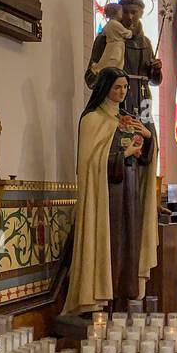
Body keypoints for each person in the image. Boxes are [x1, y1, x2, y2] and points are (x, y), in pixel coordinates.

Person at [63, 68, 158, 315]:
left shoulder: (126, 117)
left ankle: (122, 302)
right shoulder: (92, 119)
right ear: (104, 88)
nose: (122, 92)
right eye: (117, 87)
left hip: (129, 189)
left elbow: (146, 157)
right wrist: (123, 154)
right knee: (111, 244)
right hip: (106, 196)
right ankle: (101, 303)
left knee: (129, 245)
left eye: (125, 87)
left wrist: (146, 136)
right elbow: (90, 162)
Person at [85, 0, 163, 132]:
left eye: (134, 12)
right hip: (117, 102)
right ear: (119, 13)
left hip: (143, 102)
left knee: (147, 143)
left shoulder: (145, 43)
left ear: (141, 13)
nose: (130, 17)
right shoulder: (106, 39)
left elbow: (154, 81)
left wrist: (156, 70)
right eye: (126, 12)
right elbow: (90, 79)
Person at [90, 3, 132, 77]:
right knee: (114, 61)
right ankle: (100, 70)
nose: (122, 13)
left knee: (108, 60)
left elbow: (103, 31)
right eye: (121, 11)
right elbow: (125, 33)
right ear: (115, 13)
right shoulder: (115, 24)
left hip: (111, 45)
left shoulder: (109, 24)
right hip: (116, 46)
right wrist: (130, 32)